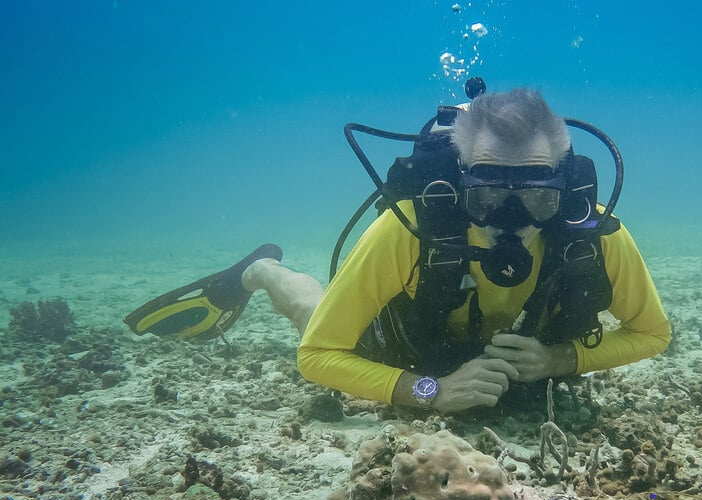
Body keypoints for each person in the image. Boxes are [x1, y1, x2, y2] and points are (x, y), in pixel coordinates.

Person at [125, 88, 670, 414]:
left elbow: (654, 334)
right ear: (459, 186)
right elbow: (317, 355)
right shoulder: (407, 229)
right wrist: (429, 390)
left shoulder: (595, 236)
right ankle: (263, 271)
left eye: (534, 196)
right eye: (487, 196)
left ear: (566, 186)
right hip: (413, 351)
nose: (512, 220)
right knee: (315, 315)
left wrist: (559, 359)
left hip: (522, 368)